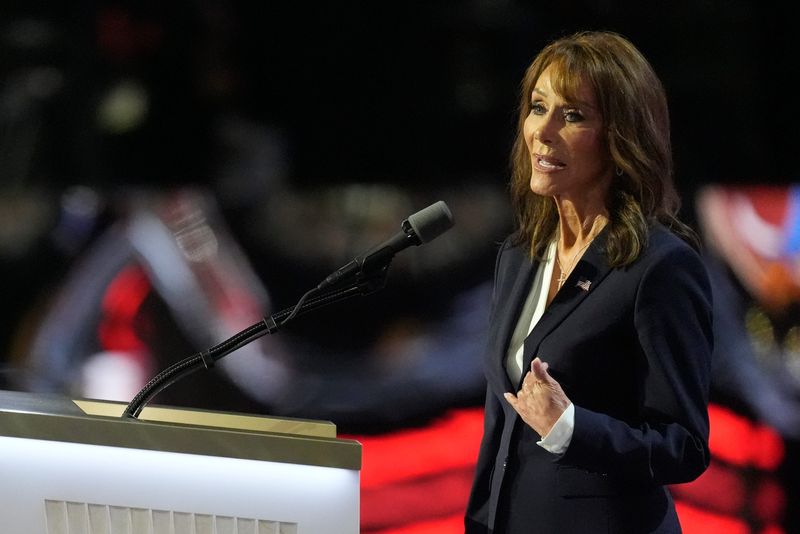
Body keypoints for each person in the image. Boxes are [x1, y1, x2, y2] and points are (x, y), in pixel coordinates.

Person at [465, 31, 713, 533]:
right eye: (538, 107)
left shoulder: (660, 268)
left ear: (621, 137)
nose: (543, 130)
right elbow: (503, 423)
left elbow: (683, 447)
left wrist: (570, 428)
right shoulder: (519, 256)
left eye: (573, 115)